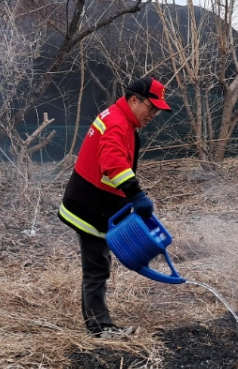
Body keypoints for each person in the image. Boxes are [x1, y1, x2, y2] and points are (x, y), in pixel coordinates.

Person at [58, 76, 171, 338]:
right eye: (151, 107)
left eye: (157, 110)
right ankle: (100, 328)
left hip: (96, 204)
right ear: (134, 100)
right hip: (89, 207)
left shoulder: (121, 119)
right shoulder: (117, 123)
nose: (153, 114)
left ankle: (96, 322)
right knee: (97, 267)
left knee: (98, 264)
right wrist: (136, 195)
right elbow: (112, 162)